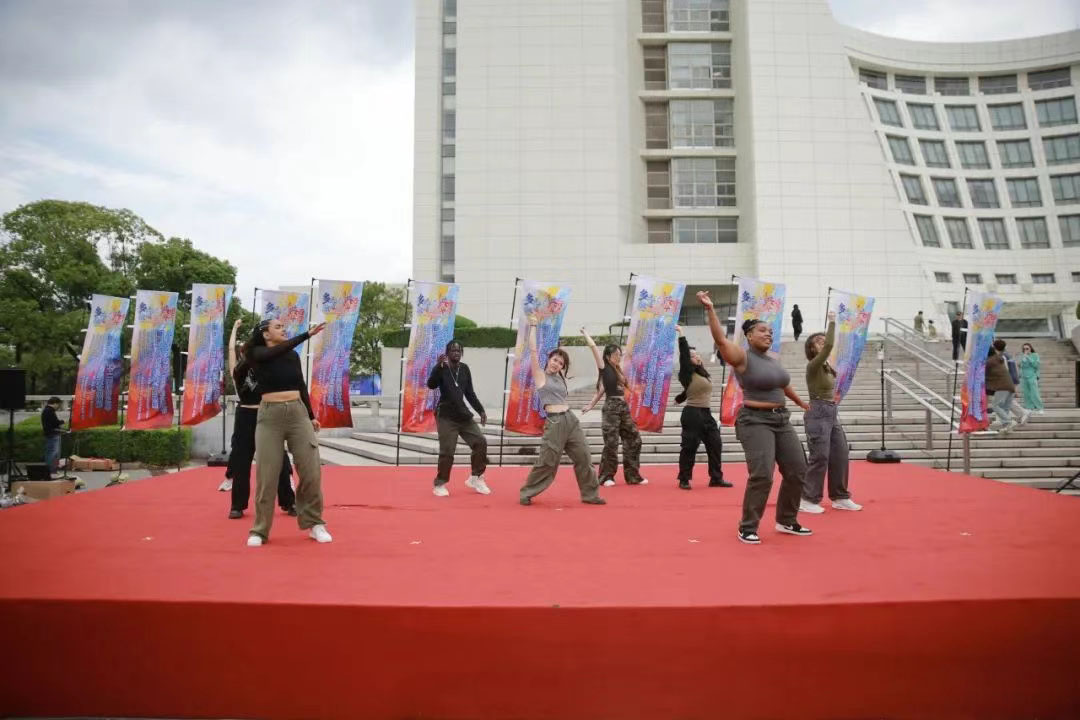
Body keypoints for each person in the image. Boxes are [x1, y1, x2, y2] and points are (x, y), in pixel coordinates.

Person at [698, 291, 812, 545]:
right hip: (755, 420)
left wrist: (801, 403)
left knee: (797, 469)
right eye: (762, 330)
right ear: (749, 336)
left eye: (770, 332)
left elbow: (783, 385)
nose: (768, 334)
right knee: (762, 475)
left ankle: (786, 519)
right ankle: (748, 526)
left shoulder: (773, 360)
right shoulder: (742, 357)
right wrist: (710, 309)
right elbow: (720, 340)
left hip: (781, 419)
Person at [245, 318, 331, 547]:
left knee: (311, 471)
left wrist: (311, 415)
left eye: (283, 326)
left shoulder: (292, 356)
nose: (283, 329)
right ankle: (260, 530)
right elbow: (272, 353)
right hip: (269, 418)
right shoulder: (256, 353)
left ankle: (315, 523)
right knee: (267, 476)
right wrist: (306, 335)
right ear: (265, 334)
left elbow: (301, 385)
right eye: (278, 327)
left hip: (297, 414)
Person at [519, 317, 605, 506]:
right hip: (555, 422)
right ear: (549, 359)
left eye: (560, 363)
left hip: (570, 420)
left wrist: (584, 335)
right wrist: (533, 325)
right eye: (555, 360)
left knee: (584, 457)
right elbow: (532, 350)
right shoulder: (540, 375)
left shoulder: (560, 379)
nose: (556, 364)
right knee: (547, 462)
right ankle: (527, 492)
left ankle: (590, 495)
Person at [223, 318, 297, 520]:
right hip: (245, 417)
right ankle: (237, 506)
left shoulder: (265, 363)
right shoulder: (237, 370)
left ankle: (289, 502)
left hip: (268, 416)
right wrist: (234, 329)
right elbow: (231, 350)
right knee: (242, 462)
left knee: (280, 461)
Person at [799, 313, 861, 514]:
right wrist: (832, 322)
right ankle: (808, 499)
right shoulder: (814, 365)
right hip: (817, 412)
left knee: (840, 454)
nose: (823, 343)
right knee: (820, 456)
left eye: (824, 340)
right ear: (811, 348)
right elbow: (829, 347)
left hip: (831, 412)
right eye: (818, 341)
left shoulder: (827, 368)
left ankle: (840, 496)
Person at [581, 329, 646, 487]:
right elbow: (594, 348)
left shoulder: (618, 370)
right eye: (616, 354)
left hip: (623, 407)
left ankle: (633, 475)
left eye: (620, 354)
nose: (619, 357)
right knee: (611, 442)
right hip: (611, 408)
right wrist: (586, 333)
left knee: (634, 438)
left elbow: (603, 389)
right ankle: (606, 476)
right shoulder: (604, 367)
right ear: (608, 356)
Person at [426, 339, 490, 497]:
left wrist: (480, 410)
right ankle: (440, 484)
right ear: (447, 353)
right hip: (446, 416)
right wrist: (437, 367)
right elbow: (431, 385)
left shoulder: (465, 369)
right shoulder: (441, 368)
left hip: (463, 415)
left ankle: (476, 477)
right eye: (453, 350)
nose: (456, 353)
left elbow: (469, 393)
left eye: (458, 351)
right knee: (447, 450)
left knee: (480, 442)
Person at [673, 325, 731, 490]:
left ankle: (716, 478)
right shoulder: (686, 373)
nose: (697, 356)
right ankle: (684, 479)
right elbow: (684, 355)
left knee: (715, 443)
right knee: (690, 447)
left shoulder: (701, 373)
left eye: (697, 354)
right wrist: (681, 334)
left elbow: (691, 390)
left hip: (706, 414)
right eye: (693, 355)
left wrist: (680, 397)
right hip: (692, 414)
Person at [985, 339, 1017, 434]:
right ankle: (1007, 427)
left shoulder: (990, 361)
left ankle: (1008, 422)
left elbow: (981, 372)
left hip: (1002, 386)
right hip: (1010, 385)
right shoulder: (997, 358)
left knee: (996, 405)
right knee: (1005, 408)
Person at [41, 397, 64, 477]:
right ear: (55, 403)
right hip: (53, 434)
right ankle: (51, 471)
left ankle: (52, 471)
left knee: (51, 453)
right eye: (58, 404)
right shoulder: (49, 411)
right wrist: (62, 422)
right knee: (53, 454)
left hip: (50, 434)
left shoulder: (46, 410)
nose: (58, 406)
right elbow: (55, 423)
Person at [1018, 343, 1044, 415]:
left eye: (1027, 348)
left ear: (1030, 348)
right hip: (1024, 376)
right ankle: (1029, 408)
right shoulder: (1022, 356)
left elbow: (1036, 365)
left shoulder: (1035, 355)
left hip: (1032, 375)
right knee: (1026, 393)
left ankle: (1040, 408)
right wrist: (1022, 360)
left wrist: (1028, 358)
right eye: (1024, 349)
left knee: (1034, 392)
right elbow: (1020, 366)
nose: (1025, 350)